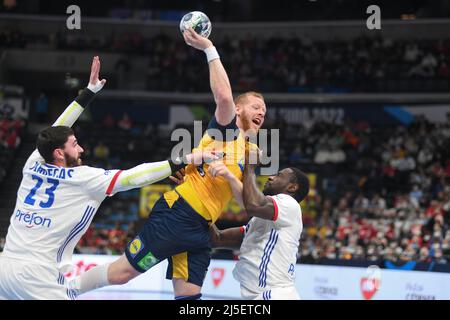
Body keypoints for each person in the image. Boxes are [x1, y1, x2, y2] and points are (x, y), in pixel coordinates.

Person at [70, 27, 267, 300]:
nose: (261, 112)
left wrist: (234, 178)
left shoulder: (253, 152)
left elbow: (248, 204)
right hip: (179, 216)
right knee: (123, 274)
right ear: (239, 109)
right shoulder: (226, 132)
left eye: (264, 111)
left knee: (189, 298)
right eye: (256, 106)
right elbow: (223, 97)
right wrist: (209, 48)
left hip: (203, 229)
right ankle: (63, 291)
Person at [0, 56, 213, 300]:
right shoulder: (85, 178)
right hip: (37, 276)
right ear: (59, 153)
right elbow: (135, 176)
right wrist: (184, 160)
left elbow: (54, 131)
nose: (81, 149)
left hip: (5, 267)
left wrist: (88, 93)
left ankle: (71, 289)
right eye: (75, 144)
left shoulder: (33, 163)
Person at [210, 148, 310, 300]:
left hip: (275, 294)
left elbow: (252, 204)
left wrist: (250, 167)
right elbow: (217, 239)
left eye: (278, 175)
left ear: (292, 187)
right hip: (262, 295)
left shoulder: (290, 204)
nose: (270, 177)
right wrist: (197, 200)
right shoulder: (260, 222)